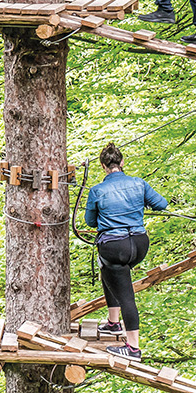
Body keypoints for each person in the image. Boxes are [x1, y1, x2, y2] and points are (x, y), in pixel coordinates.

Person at [82, 143, 167, 360]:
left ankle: (133, 348)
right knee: (107, 269)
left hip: (114, 246)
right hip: (139, 244)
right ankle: (113, 322)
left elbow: (90, 221)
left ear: (103, 166)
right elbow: (162, 204)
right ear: (122, 163)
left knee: (126, 294)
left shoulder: (97, 191)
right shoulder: (139, 184)